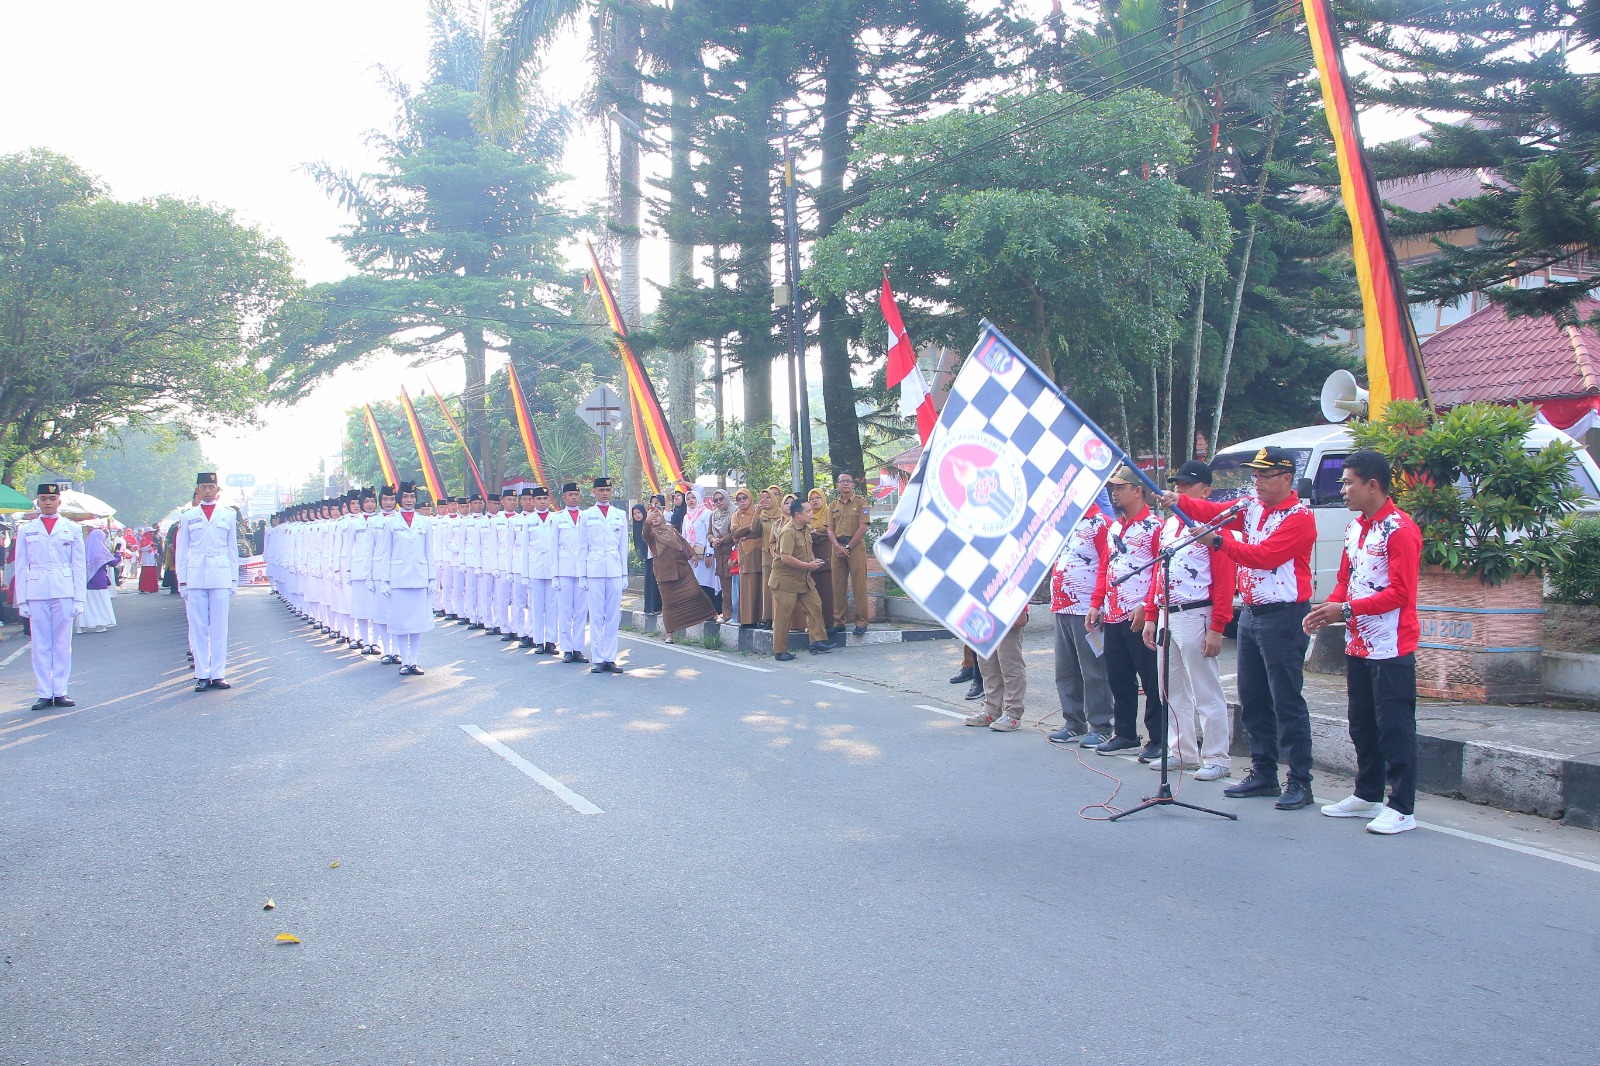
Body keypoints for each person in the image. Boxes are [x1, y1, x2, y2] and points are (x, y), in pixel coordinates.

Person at [1164, 445, 1318, 811]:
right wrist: (1179, 501)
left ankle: (1300, 779)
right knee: (1253, 698)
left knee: (1286, 700)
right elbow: (1215, 512)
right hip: (1252, 612)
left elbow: (1264, 557)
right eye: (1256, 475)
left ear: (1285, 479)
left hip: (1283, 615)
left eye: (1264, 476)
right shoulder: (1251, 507)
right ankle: (1264, 772)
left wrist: (1217, 541)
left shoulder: (1298, 517)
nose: (1257, 482)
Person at [1305, 450, 1423, 835]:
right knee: (1362, 723)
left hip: (1391, 646)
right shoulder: (1356, 528)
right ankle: (1367, 793)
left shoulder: (1400, 530)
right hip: (1358, 643)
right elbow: (1345, 576)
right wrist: (1330, 608)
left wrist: (1347, 609)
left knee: (1395, 727)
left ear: (1372, 485)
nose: (1343, 490)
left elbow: (1401, 594)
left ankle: (1402, 806)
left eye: (1348, 482)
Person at [1141, 460, 1236, 777]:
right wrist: (1153, 614)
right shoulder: (1169, 525)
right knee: (1172, 689)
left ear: (1206, 490)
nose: (1179, 489)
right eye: (1177, 484)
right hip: (1169, 613)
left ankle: (1217, 757)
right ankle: (1182, 751)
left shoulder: (1214, 525)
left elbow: (1224, 578)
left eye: (1187, 484)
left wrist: (1218, 626)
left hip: (1197, 611)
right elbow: (1159, 570)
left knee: (1206, 689)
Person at [1088, 466, 1164, 758]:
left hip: (1140, 614)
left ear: (1138, 490)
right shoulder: (1115, 527)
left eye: (1120, 488)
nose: (1115, 493)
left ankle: (1157, 737)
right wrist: (1096, 603)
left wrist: (1148, 605)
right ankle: (1125, 733)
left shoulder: (1155, 526)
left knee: (1151, 678)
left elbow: (1159, 569)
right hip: (1113, 612)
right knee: (1119, 676)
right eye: (1113, 488)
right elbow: (1105, 568)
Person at [14, 483, 86, 710]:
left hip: (63, 589)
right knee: (40, 644)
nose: (47, 502)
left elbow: (78, 565)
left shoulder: (71, 528)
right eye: (43, 498)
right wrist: (22, 599)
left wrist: (79, 598)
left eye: (51, 498)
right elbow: (20, 565)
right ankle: (44, 692)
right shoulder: (27, 529)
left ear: (58, 501)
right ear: (38, 501)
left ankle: (61, 691)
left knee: (62, 643)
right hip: (36, 590)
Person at [1047, 504, 1114, 747]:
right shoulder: (1064, 522)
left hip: (1086, 609)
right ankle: (1073, 722)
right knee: (1065, 670)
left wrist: (1101, 604)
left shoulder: (1100, 523)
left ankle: (1101, 725)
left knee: (1094, 670)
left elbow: (1107, 566)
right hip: (1062, 607)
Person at [176, 473, 240, 692]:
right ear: (197, 490)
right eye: (203, 487)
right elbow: (182, 551)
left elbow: (233, 549)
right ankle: (202, 674)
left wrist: (234, 579)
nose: (207, 491)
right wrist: (182, 581)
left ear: (217, 489)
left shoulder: (228, 515)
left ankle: (218, 673)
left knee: (220, 627)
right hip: (195, 575)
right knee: (198, 627)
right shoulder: (188, 516)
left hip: (221, 574)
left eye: (211, 486)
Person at [373, 482, 436, 676]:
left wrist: (432, 578)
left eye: (412, 497)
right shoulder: (391, 523)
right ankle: (404, 662)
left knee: (417, 623)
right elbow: (386, 553)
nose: (409, 500)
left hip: (419, 578)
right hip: (398, 579)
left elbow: (429, 553)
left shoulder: (425, 523)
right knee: (401, 623)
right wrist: (385, 580)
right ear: (400, 499)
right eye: (406, 497)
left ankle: (414, 661)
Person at [767, 497, 832, 662]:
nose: (811, 514)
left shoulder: (806, 528)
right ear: (797, 515)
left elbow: (807, 551)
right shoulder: (788, 531)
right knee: (783, 615)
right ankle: (780, 651)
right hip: (785, 580)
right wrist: (808, 566)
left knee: (815, 605)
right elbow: (785, 558)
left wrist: (813, 561)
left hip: (803, 578)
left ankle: (817, 642)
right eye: (808, 511)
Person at [642, 505, 718, 638]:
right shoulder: (652, 534)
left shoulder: (670, 529)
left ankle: (712, 615)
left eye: (657, 515)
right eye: (652, 517)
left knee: (696, 592)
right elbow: (644, 534)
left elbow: (682, 542)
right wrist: (647, 521)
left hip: (682, 569)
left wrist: (692, 555)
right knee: (669, 603)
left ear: (662, 517)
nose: (655, 518)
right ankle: (669, 634)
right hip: (665, 573)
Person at [580, 477, 629, 673]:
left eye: (608, 489)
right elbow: (582, 548)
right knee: (597, 615)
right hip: (595, 569)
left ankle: (610, 657)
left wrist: (624, 574)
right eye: (601, 490)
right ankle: (598, 658)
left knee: (612, 616)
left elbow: (623, 547)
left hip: (615, 570)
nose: (605, 493)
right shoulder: (587, 516)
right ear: (594, 492)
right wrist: (582, 575)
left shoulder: (620, 514)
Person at [964, 608, 1029, 731]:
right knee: (986, 663)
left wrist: (1022, 609)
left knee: (1009, 662)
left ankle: (1013, 713)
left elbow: (1018, 587)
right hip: (982, 610)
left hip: (1007, 608)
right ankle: (992, 709)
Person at [828, 473, 871, 636]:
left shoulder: (861, 503)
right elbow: (829, 529)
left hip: (855, 546)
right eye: (842, 481)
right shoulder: (832, 505)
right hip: (837, 547)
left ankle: (861, 622)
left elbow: (863, 527)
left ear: (853, 485)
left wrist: (848, 546)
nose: (845, 484)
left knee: (859, 585)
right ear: (837, 485)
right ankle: (839, 621)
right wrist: (838, 546)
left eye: (848, 481)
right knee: (837, 585)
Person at [521, 486, 559, 654]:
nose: (542, 502)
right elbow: (524, 550)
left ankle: (551, 641)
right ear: (533, 501)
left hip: (551, 568)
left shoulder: (555, 519)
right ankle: (538, 641)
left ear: (548, 500)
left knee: (552, 606)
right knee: (536, 606)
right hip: (535, 567)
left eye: (545, 499)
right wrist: (525, 574)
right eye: (539, 499)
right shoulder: (528, 521)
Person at [731, 488, 765, 627]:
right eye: (739, 499)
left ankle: (761, 619)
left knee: (759, 584)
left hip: (758, 551)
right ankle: (747, 619)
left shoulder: (758, 511)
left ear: (750, 498)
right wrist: (749, 531)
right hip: (744, 554)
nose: (742, 502)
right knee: (745, 586)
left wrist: (747, 533)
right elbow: (734, 533)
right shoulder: (736, 515)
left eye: (744, 498)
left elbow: (759, 531)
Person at [805, 487, 835, 635]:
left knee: (827, 591)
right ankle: (817, 624)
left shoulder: (828, 512)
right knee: (814, 593)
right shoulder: (808, 515)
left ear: (823, 499)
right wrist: (817, 533)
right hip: (811, 557)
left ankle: (830, 622)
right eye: (812, 498)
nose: (815, 500)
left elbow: (829, 530)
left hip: (826, 555)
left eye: (818, 498)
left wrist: (814, 533)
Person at [80, 525, 119, 634]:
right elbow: (113, 562)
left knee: (87, 603)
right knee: (100, 602)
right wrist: (118, 554)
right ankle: (100, 624)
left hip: (86, 580)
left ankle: (81, 626)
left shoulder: (84, 548)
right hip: (100, 580)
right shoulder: (101, 549)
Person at [708, 489, 735, 622]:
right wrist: (713, 540)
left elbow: (736, 533)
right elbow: (709, 533)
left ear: (727, 498)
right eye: (716, 500)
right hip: (719, 554)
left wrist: (722, 539)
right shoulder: (713, 516)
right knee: (725, 587)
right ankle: (727, 614)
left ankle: (737, 615)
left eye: (721, 499)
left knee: (735, 586)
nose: (718, 502)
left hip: (732, 553)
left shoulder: (734, 513)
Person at [632, 502, 662, 614]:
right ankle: (650, 607)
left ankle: (658, 606)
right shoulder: (636, 526)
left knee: (656, 582)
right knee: (649, 582)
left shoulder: (649, 524)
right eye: (634, 514)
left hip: (656, 556)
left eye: (639, 512)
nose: (637, 515)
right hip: (648, 558)